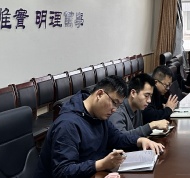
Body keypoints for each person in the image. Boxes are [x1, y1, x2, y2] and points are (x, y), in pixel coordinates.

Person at [36, 75, 164, 178]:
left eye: (118, 105)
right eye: (114, 103)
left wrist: (140, 140)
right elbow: (63, 171)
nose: (114, 110)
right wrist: (100, 164)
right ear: (99, 94)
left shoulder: (98, 115)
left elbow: (118, 138)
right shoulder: (67, 124)